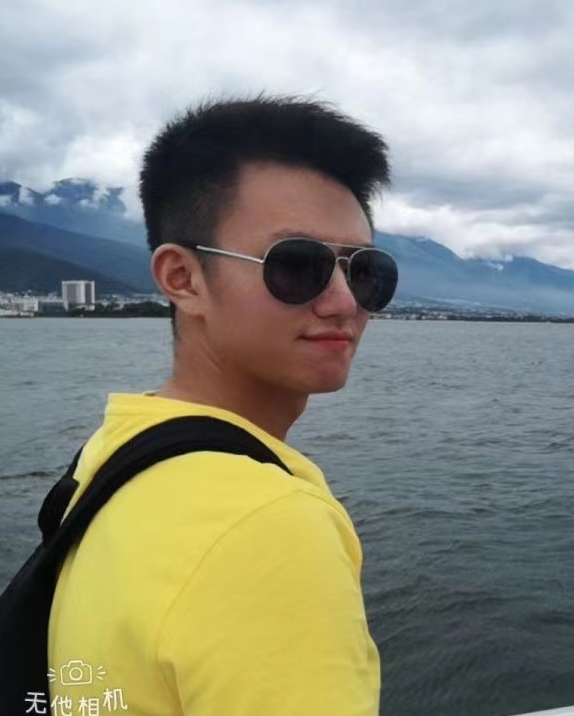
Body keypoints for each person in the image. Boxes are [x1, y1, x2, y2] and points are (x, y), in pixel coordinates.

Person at [46, 95, 395, 716]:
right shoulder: (267, 524)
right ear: (182, 279)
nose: (345, 302)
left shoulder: (121, 448)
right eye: (298, 265)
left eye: (365, 271)